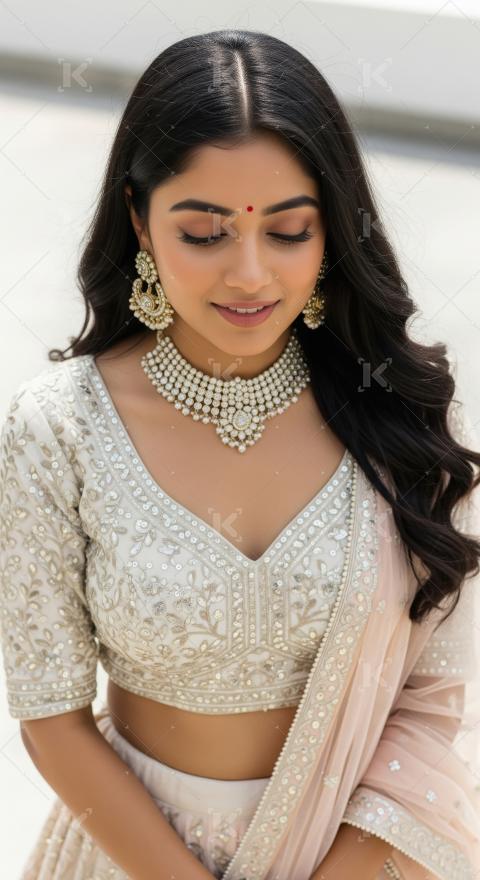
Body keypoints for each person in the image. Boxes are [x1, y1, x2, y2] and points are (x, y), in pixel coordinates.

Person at [1, 28, 480, 880]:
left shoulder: (397, 415)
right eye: (205, 233)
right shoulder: (58, 430)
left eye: (289, 231)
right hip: (131, 858)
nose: (251, 275)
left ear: (333, 230)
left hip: (365, 859)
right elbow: (50, 715)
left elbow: (430, 703)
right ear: (140, 224)